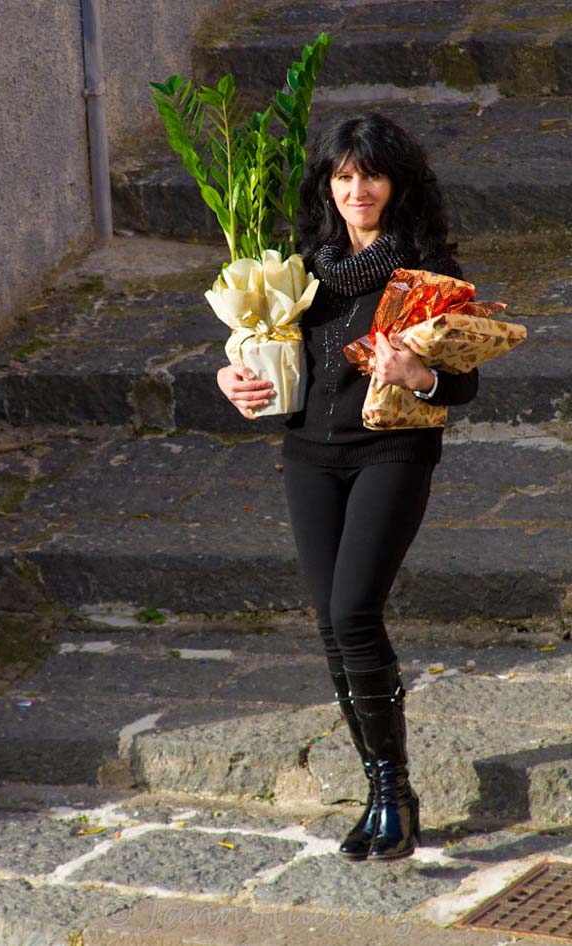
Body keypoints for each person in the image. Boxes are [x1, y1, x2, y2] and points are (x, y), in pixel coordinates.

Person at [216, 112, 478, 861]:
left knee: (355, 611)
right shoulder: (301, 273)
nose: (356, 189)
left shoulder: (425, 276)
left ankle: (393, 793)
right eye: (343, 175)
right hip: (307, 455)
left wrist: (415, 374)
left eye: (369, 174)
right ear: (327, 186)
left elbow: (462, 388)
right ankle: (379, 791)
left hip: (392, 454)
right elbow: (257, 356)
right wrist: (233, 377)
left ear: (396, 184)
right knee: (332, 626)